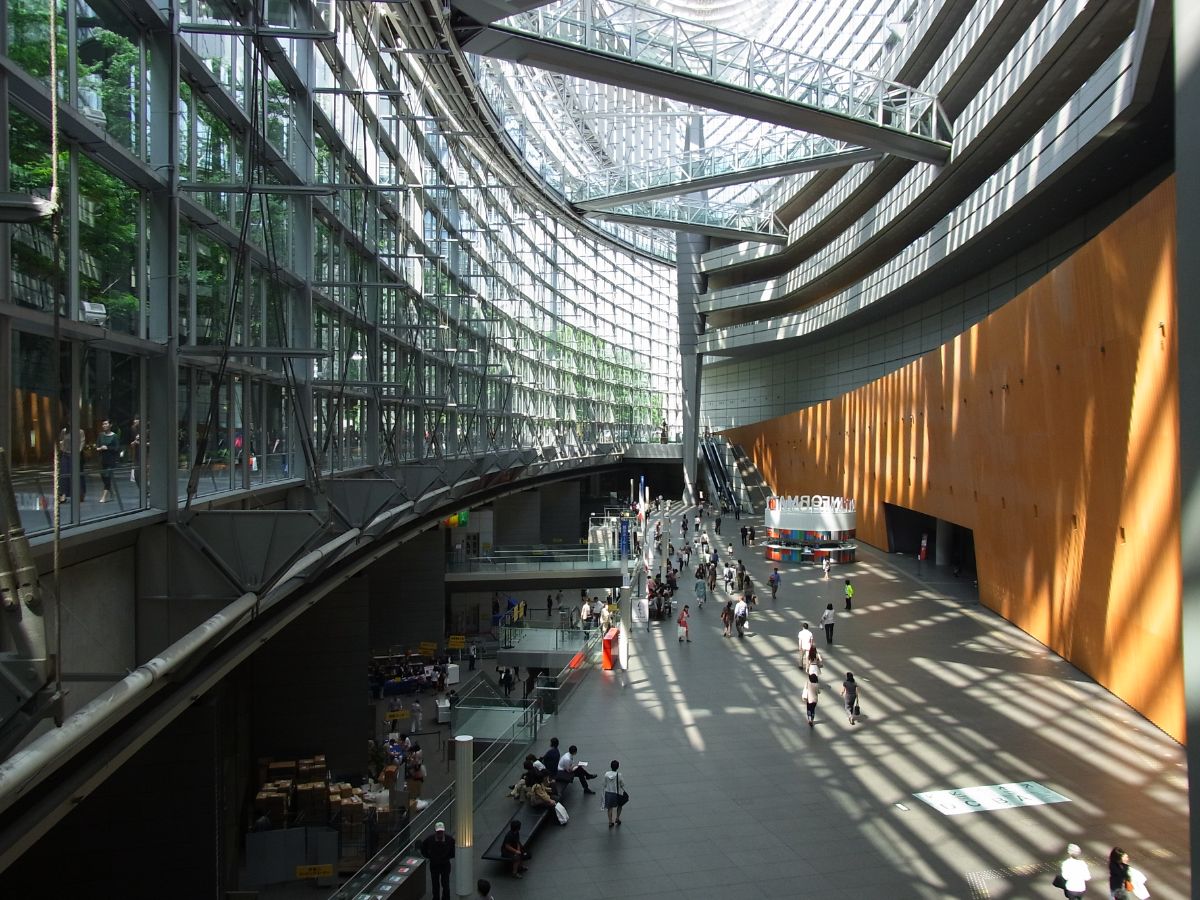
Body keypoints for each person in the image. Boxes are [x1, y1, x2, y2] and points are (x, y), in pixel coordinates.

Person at [420, 821, 456, 900]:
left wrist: (447, 857)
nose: (440, 833)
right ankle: (436, 898)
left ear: (444, 831)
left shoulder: (450, 840)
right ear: (435, 831)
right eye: (438, 832)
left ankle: (446, 898)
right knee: (435, 884)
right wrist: (429, 856)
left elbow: (454, 851)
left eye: (441, 831)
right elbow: (423, 848)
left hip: (445, 865)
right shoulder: (430, 839)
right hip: (434, 865)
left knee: (445, 884)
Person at [95, 419, 120, 503]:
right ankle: (111, 491)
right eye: (103, 424)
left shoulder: (115, 436)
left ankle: (104, 497)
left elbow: (117, 448)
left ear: (110, 425)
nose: (104, 425)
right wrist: (100, 448)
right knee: (103, 477)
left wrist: (108, 448)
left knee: (108, 477)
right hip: (102, 459)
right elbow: (97, 447)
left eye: (106, 424)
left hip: (111, 459)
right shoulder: (100, 435)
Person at [602, 759, 626, 827]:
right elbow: (622, 784)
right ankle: (617, 818)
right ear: (618, 767)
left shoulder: (606, 774)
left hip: (608, 793)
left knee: (610, 808)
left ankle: (610, 822)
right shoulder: (619, 775)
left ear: (611, 766)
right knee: (620, 805)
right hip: (616, 793)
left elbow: (604, 784)